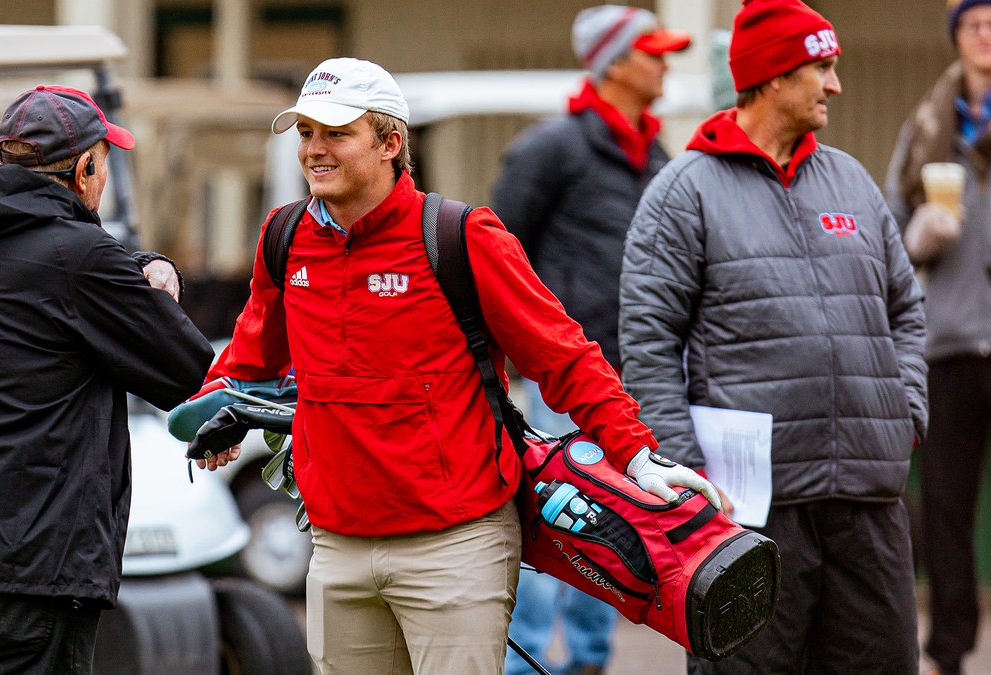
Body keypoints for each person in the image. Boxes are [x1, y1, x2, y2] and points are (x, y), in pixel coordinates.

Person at [196, 56, 719, 675]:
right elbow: (251, 350)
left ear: (391, 142)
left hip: (456, 544)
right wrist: (214, 403)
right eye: (307, 133)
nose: (315, 150)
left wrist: (635, 453)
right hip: (335, 546)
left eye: (336, 134)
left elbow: (562, 354)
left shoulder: (461, 235)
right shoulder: (285, 236)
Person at [618, 1, 928, 673]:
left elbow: (906, 307)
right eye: (822, 67)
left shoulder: (852, 181)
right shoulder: (684, 192)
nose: (835, 84)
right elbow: (647, 342)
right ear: (773, 76)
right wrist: (684, 469)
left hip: (868, 501)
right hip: (750, 512)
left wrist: (905, 410)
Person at [0, 85, 215, 674]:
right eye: (104, 159)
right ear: (85, 167)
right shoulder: (82, 258)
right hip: (31, 565)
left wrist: (141, 261)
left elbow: (59, 260)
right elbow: (190, 370)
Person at [490, 6, 691, 675]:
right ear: (615, 63)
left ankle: (587, 661)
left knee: (612, 525)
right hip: (556, 379)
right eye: (653, 52)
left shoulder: (655, 154)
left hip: (626, 378)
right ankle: (525, 665)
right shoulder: (551, 148)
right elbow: (495, 256)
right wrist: (513, 365)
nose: (664, 63)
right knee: (552, 522)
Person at [885, 2, 991, 673]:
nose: (988, 36)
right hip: (948, 341)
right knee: (947, 506)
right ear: (956, 36)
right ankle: (948, 648)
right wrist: (917, 235)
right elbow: (888, 237)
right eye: (976, 24)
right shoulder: (927, 125)